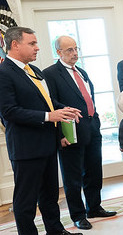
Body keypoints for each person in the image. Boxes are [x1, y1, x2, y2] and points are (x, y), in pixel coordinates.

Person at [0, 27, 82, 235]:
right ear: (15, 45)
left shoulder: (34, 70)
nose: (38, 48)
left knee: (49, 195)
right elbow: (9, 112)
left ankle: (55, 230)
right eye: (32, 43)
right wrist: (49, 116)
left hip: (46, 144)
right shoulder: (4, 73)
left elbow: (45, 101)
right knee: (26, 201)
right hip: (26, 148)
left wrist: (61, 109)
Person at [42, 36, 116, 230]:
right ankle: (78, 215)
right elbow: (51, 104)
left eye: (76, 49)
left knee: (94, 171)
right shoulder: (50, 74)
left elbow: (87, 98)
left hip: (92, 127)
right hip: (70, 130)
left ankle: (94, 207)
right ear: (58, 52)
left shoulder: (81, 71)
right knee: (72, 176)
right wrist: (60, 136)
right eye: (69, 50)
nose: (75, 53)